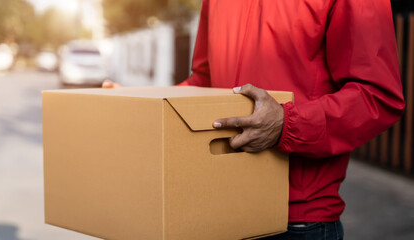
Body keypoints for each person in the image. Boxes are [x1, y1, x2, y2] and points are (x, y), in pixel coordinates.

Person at [104, 0, 405, 239]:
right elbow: (205, 81)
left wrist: (287, 124)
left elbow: (377, 95)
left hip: (296, 221)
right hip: (216, 206)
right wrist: (143, 102)